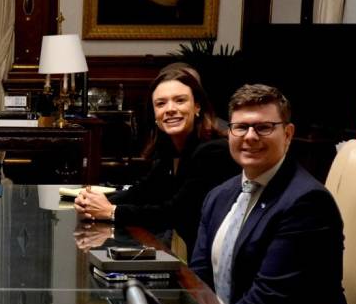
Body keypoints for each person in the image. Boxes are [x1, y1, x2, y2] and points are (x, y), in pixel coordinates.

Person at [188, 84, 347, 304]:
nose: (250, 136)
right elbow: (198, 277)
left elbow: (269, 300)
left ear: (288, 134)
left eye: (264, 127)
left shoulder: (307, 202)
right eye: (240, 127)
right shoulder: (218, 196)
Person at [74, 63, 239, 255]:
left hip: (221, 258)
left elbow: (176, 213)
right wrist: (92, 202)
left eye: (179, 100)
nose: (170, 109)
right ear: (154, 114)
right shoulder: (171, 149)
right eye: (161, 103)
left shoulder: (213, 151)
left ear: (197, 107)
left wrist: (111, 211)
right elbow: (144, 191)